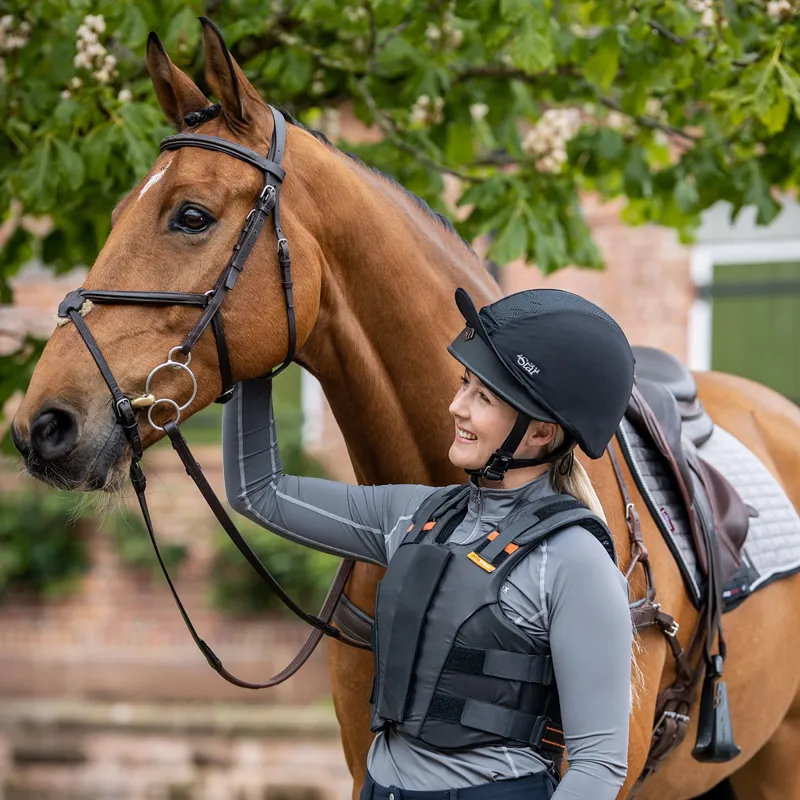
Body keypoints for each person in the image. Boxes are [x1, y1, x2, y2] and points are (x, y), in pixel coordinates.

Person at [222, 287, 635, 800]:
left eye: (482, 397)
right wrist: (248, 354)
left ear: (540, 434)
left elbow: (598, 766)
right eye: (465, 384)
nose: (455, 406)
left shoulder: (576, 562)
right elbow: (260, 493)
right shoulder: (416, 516)